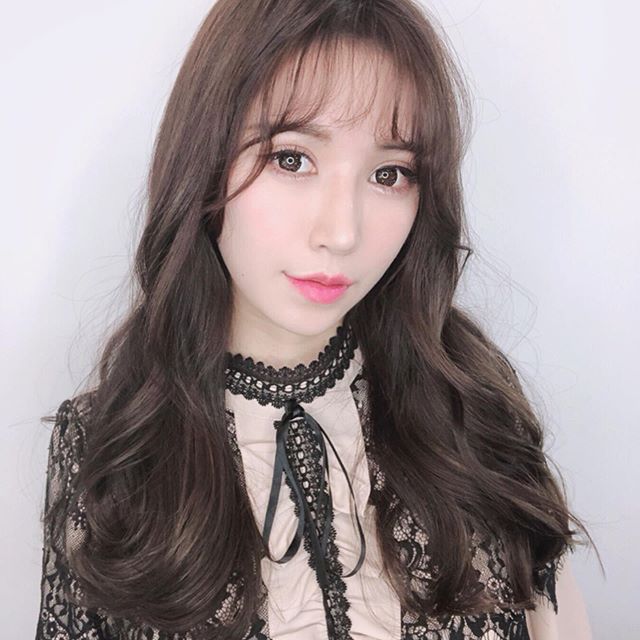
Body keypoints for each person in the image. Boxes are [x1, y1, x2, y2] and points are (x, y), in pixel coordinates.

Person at [35, 1, 597, 639]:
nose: (342, 231)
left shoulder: (472, 412)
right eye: (292, 159)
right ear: (205, 157)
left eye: (389, 174)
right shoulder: (112, 449)